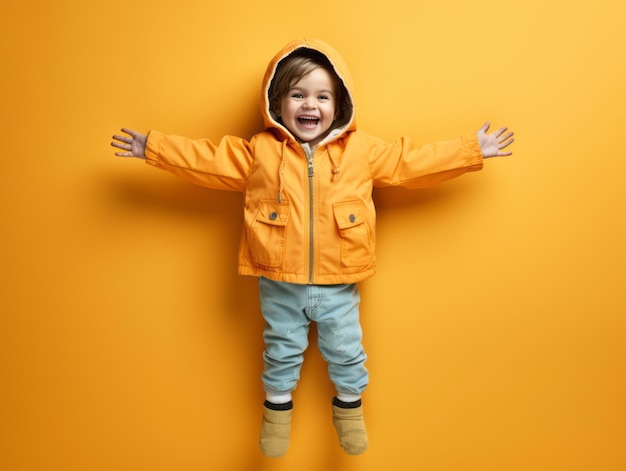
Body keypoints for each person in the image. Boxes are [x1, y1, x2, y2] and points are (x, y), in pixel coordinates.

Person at [111, 38, 514, 458]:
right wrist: (152, 148)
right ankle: (276, 412)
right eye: (298, 94)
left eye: (323, 96)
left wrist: (471, 150)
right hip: (278, 278)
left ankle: (350, 410)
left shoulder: (360, 150)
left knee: (346, 350)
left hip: (339, 279)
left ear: (338, 105)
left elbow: (408, 162)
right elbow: (206, 160)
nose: (310, 105)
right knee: (281, 351)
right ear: (277, 101)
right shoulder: (259, 152)